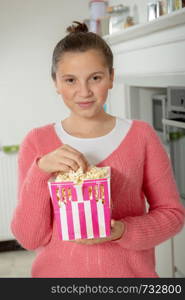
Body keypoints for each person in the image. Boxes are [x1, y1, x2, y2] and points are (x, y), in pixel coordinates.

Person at [11, 21, 185, 278]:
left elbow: (173, 215)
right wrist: (40, 172)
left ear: (111, 77)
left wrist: (123, 231)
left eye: (95, 78)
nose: (84, 92)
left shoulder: (141, 136)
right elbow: (29, 238)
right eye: (70, 80)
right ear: (55, 83)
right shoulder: (37, 142)